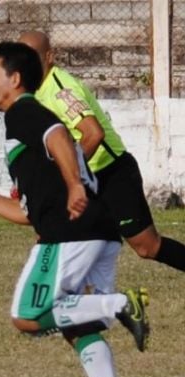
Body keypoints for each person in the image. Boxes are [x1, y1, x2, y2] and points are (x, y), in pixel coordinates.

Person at [0, 41, 149, 377]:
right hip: (97, 230)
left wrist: (75, 186)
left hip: (73, 232)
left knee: (27, 316)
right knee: (74, 322)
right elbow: (31, 213)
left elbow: (60, 135)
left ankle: (119, 305)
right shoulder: (23, 129)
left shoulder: (24, 111)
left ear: (14, 80)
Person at [18, 30, 185, 272]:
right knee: (53, 238)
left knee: (147, 247)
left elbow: (93, 134)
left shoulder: (60, 90)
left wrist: (66, 175)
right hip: (85, 179)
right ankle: (55, 303)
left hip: (111, 172)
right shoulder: (33, 92)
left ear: (49, 56)